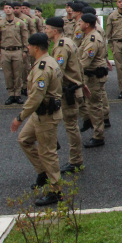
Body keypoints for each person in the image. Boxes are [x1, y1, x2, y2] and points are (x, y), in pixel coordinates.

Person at [11, 32, 63, 207]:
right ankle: (43, 172)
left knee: (48, 153)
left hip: (45, 115)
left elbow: (36, 97)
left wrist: (20, 117)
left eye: (29, 46)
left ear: (35, 47)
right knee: (24, 139)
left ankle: (56, 191)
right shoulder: (48, 61)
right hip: (38, 115)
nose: (27, 49)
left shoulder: (43, 67)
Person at [45, 17, 85, 174]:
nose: (45, 31)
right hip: (72, 87)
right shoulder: (68, 41)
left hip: (68, 90)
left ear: (55, 31)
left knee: (71, 126)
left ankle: (76, 160)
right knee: (71, 125)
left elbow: (57, 71)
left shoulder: (61, 46)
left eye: (47, 28)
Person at [79, 13, 109, 148]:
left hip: (93, 77)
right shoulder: (89, 37)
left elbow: (85, 61)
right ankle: (96, 129)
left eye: (81, 22)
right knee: (93, 104)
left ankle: (98, 136)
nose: (79, 24)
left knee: (95, 106)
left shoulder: (93, 39)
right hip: (91, 76)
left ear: (87, 24)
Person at [0, 3, 30, 105]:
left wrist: (25, 50)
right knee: (8, 74)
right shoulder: (0, 24)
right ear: (3, 10)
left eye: (10, 8)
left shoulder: (20, 23)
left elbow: (24, 37)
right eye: (6, 8)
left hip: (17, 50)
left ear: (13, 10)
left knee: (18, 73)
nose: (8, 10)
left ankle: (18, 94)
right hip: (5, 51)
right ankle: (11, 94)